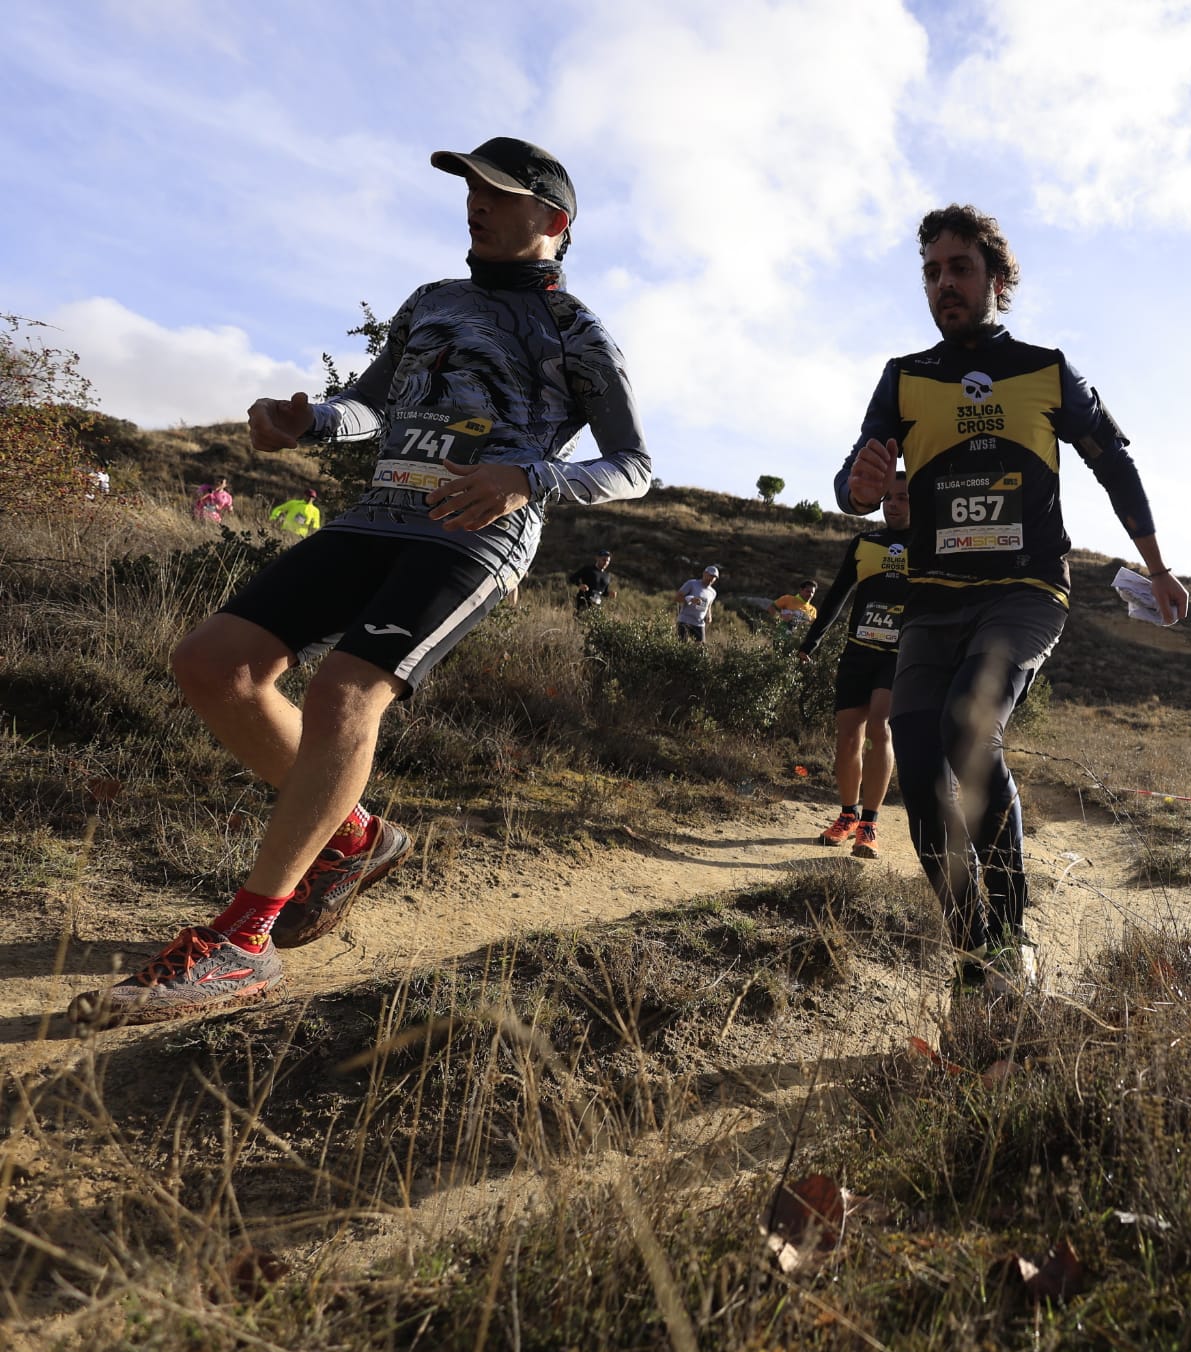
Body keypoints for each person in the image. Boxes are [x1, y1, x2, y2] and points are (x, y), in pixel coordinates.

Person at [73, 137, 653, 1026]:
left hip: (471, 538)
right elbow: (375, 403)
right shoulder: (431, 301)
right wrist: (305, 417)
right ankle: (354, 835)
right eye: (469, 189)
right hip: (374, 517)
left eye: (498, 193)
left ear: (554, 221)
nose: (476, 203)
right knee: (212, 665)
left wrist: (525, 477)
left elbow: (635, 464)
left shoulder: (577, 330)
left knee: (347, 690)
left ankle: (242, 942)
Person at [835, 204, 1190, 994]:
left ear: (997, 279)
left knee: (970, 727)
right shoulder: (904, 378)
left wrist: (1157, 566)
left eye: (959, 268)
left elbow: (1114, 462)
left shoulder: (1046, 368)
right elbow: (854, 475)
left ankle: (1013, 932)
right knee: (922, 762)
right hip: (932, 599)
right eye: (931, 272)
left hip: (1025, 591)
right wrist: (856, 489)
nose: (944, 284)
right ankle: (979, 952)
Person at [799, 474, 911, 858]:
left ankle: (870, 823)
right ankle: (847, 816)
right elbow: (837, 595)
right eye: (888, 497)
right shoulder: (865, 543)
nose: (893, 504)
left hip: (899, 656)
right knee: (848, 736)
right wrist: (811, 641)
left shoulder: (932, 545)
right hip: (858, 652)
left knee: (881, 727)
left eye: (903, 498)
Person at [674, 564, 720, 642]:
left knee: (701, 651)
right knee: (681, 648)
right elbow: (677, 598)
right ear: (704, 573)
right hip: (684, 621)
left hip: (699, 624)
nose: (712, 579)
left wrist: (709, 616)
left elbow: (708, 606)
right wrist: (690, 600)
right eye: (711, 575)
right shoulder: (691, 584)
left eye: (714, 577)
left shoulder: (713, 592)